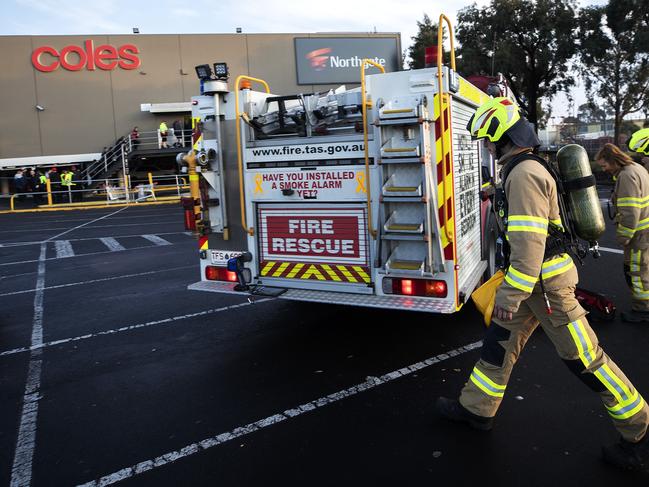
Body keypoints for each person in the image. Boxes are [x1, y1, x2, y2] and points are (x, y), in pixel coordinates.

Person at [436, 97, 649, 472]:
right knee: (497, 348)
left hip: (546, 289)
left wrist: (508, 295)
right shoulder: (522, 169)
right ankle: (475, 409)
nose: (487, 147)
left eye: (489, 141)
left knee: (586, 361)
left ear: (502, 139)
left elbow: (529, 248)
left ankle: (638, 431)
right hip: (534, 287)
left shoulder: (524, 175)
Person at [596, 143, 649, 323]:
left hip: (639, 233)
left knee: (637, 270)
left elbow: (629, 212)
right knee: (645, 268)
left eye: (604, 165)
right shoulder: (637, 169)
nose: (604, 169)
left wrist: (624, 237)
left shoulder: (627, 176)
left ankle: (642, 310)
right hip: (645, 228)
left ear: (613, 160)